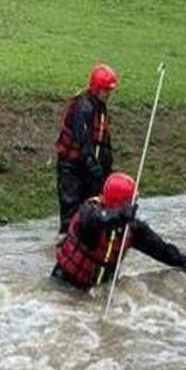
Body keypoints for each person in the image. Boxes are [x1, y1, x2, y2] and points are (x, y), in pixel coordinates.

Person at [51, 172, 186, 291]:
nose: (135, 205)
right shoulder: (88, 213)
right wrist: (119, 215)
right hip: (63, 285)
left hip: (98, 290)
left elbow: (162, 251)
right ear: (122, 203)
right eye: (132, 201)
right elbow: (96, 220)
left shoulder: (132, 229)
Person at [54, 63, 117, 239]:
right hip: (72, 166)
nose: (108, 94)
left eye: (110, 90)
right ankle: (66, 240)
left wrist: (106, 169)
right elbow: (83, 141)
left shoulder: (100, 107)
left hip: (89, 166)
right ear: (96, 88)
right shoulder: (83, 107)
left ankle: (85, 241)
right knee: (71, 208)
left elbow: (103, 141)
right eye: (106, 90)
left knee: (91, 209)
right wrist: (93, 165)